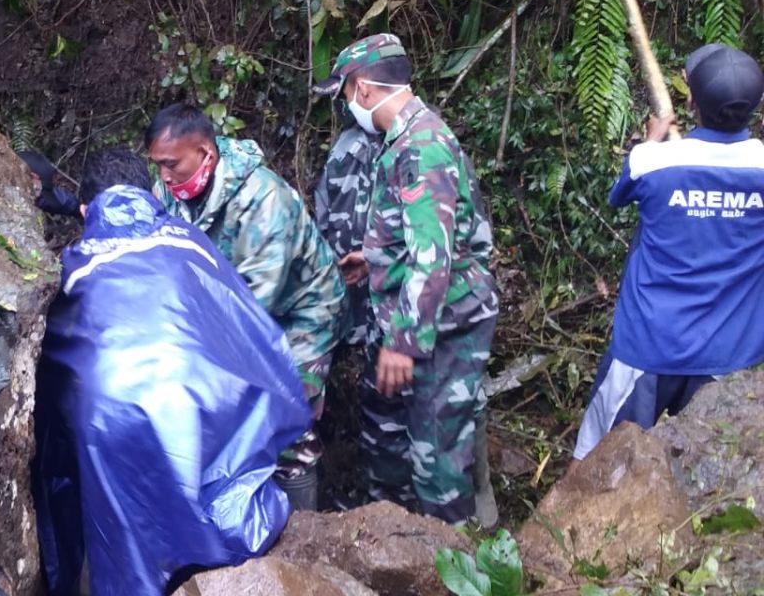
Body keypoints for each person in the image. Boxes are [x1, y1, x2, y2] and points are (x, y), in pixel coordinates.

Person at [32, 148, 310, 596]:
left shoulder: (76, 265)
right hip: (204, 399)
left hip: (116, 418)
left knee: (126, 531)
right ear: (150, 191)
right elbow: (250, 328)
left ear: (87, 210)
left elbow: (55, 374)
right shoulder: (191, 240)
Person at [313, 33, 498, 526]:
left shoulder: (420, 148)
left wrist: (403, 342)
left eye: (345, 94)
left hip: (443, 329)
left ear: (363, 89)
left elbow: (432, 258)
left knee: (438, 463)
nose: (347, 105)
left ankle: (457, 562)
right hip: (414, 321)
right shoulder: (405, 139)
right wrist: (372, 259)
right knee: (389, 443)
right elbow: (414, 235)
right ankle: (390, 540)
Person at [146, 105, 345, 510]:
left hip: (299, 312)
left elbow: (256, 303)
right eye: (158, 166)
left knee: (286, 413)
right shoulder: (167, 190)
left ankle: (302, 534)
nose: (165, 176)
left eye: (172, 165)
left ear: (206, 153)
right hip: (217, 309)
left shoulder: (264, 201)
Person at [573, 44, 764, 461]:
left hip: (647, 348)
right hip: (727, 355)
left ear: (691, 101)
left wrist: (651, 140)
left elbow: (618, 195)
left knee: (597, 462)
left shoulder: (651, 163)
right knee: (708, 475)